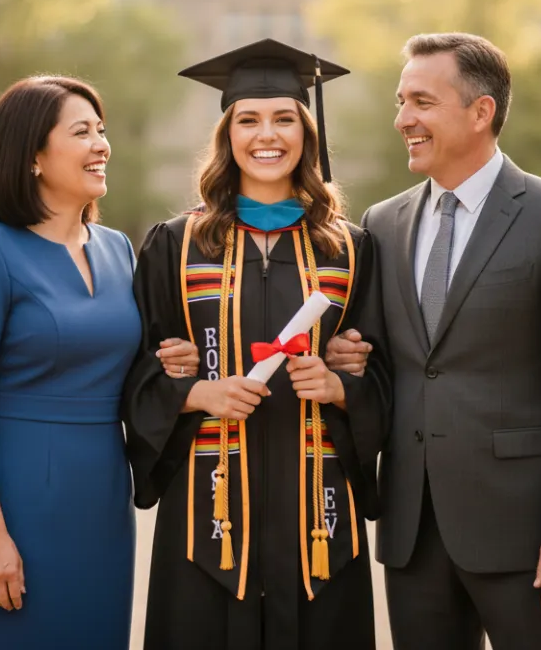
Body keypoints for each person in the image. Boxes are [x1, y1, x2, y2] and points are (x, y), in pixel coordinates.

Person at [326, 32, 541, 649]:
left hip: (527, 534)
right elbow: (383, 364)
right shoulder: (383, 222)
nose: (402, 118)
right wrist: (348, 361)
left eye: (422, 102)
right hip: (413, 532)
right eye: (401, 100)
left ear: (480, 111)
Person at [123, 39, 390, 650]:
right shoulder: (176, 244)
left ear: (307, 133)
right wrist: (193, 393)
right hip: (206, 522)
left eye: (284, 118)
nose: (266, 135)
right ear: (227, 134)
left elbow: (385, 375)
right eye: (248, 119)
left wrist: (343, 387)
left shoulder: (351, 249)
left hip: (320, 523)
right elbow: (136, 372)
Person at [0, 75, 200, 649]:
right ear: (33, 156)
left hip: (103, 496)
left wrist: (174, 365)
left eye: (102, 131)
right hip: (21, 497)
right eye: (82, 132)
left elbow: (132, 371)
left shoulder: (118, 250)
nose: (101, 144)